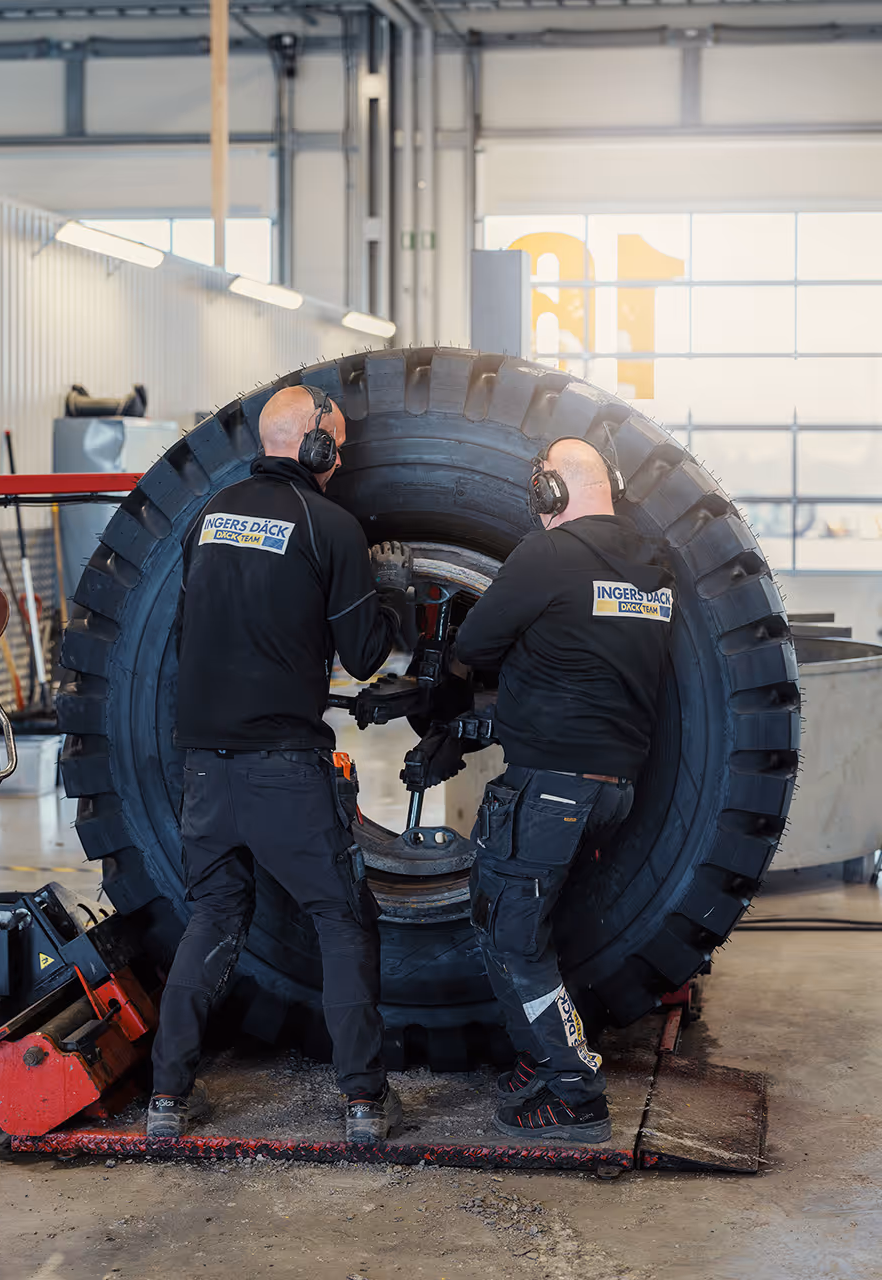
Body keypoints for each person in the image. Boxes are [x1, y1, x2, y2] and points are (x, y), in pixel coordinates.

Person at [147, 384, 415, 1142]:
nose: (343, 460)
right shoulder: (328, 524)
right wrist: (389, 591)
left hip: (204, 768)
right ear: (316, 445)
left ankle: (166, 1099)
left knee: (215, 916)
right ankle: (364, 1101)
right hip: (283, 769)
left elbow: (180, 631)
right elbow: (364, 658)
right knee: (342, 919)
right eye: (340, 446)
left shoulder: (208, 514)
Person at [455, 436, 675, 1144]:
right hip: (611, 790)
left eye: (537, 487)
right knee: (517, 927)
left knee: (513, 939)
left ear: (552, 491)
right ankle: (536, 1057)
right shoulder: (654, 570)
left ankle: (575, 1090)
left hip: (549, 791)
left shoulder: (550, 554)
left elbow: (475, 645)